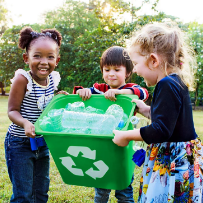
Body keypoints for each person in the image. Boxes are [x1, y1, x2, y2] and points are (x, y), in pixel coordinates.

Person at [113, 22, 203, 202]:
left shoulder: (165, 84)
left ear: (154, 61)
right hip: (184, 157)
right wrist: (145, 109)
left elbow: (161, 130)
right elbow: (171, 120)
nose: (136, 70)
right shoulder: (176, 81)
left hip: (173, 162)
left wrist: (126, 135)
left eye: (136, 63)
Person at [73, 46, 149, 203]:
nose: (111, 74)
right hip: (101, 146)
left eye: (117, 69)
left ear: (127, 73)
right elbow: (82, 92)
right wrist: (83, 92)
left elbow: (142, 92)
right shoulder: (100, 89)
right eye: (107, 69)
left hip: (124, 147)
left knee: (124, 189)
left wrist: (118, 92)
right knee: (101, 187)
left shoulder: (129, 89)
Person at [5, 26, 62, 202]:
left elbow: (48, 106)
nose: (44, 61)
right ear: (26, 58)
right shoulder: (23, 79)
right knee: (23, 194)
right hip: (19, 143)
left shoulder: (54, 79)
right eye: (37, 56)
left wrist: (59, 99)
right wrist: (25, 124)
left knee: (41, 190)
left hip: (42, 142)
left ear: (57, 60)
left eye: (50, 57)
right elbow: (12, 111)